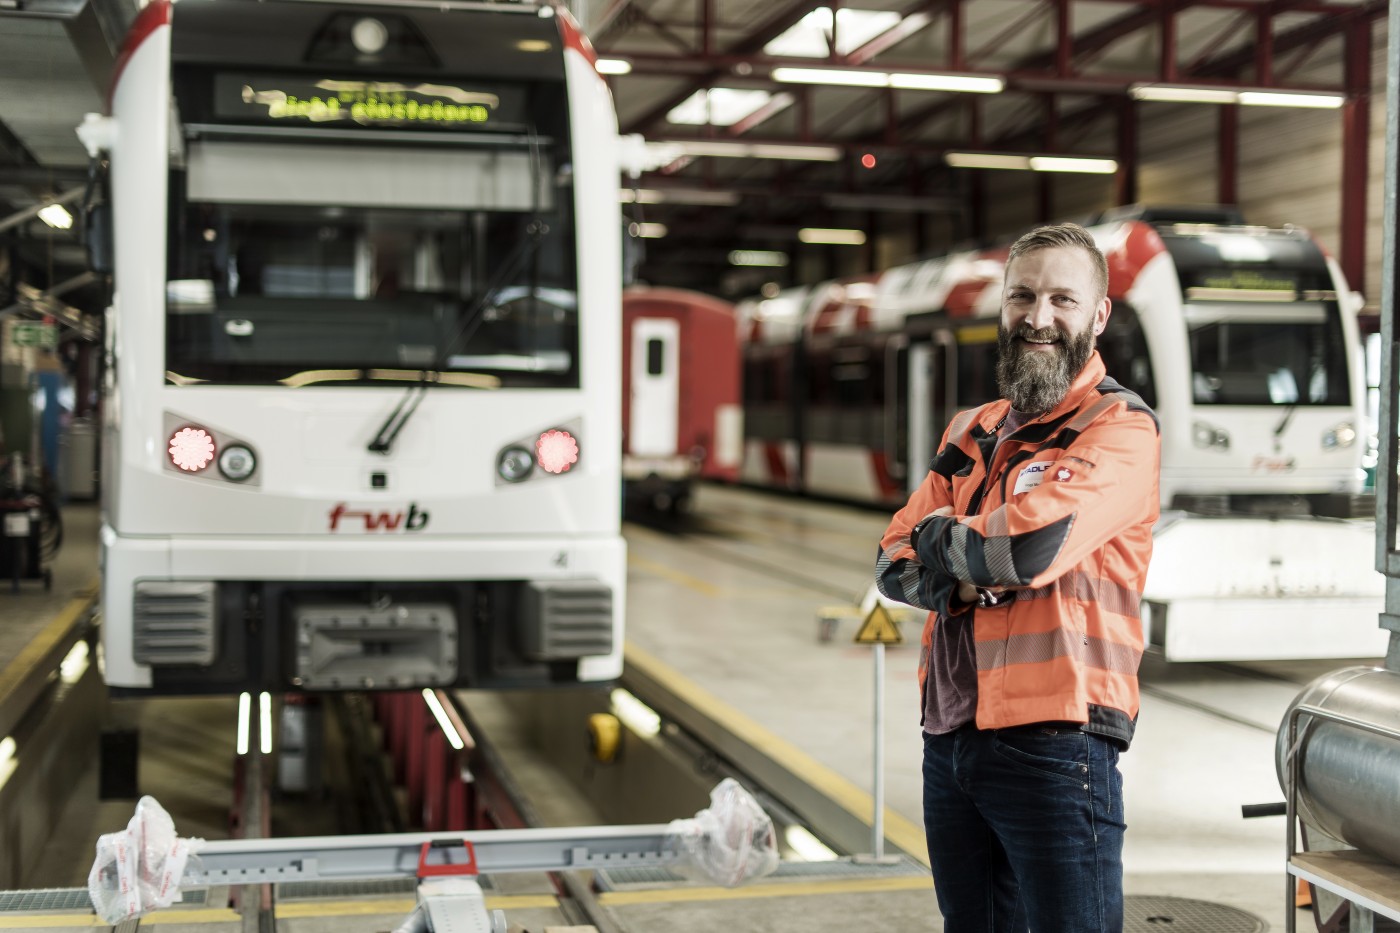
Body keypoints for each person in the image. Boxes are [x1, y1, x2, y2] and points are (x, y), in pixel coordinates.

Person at [874, 222, 1161, 933]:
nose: (1039, 317)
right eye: (1022, 297)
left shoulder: (1119, 427)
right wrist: (962, 574)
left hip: (1059, 740)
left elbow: (1027, 549)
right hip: (950, 735)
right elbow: (888, 559)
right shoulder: (970, 430)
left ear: (1098, 315)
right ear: (1001, 308)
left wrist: (942, 543)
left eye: (1063, 299)